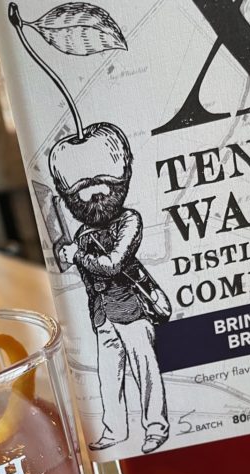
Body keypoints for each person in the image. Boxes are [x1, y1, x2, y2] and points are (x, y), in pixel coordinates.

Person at [53, 123, 169, 454]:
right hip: (101, 315)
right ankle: (114, 430)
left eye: (102, 184)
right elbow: (69, 268)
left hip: (131, 309)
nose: (95, 194)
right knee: (108, 375)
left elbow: (114, 263)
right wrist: (64, 251)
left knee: (145, 369)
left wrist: (76, 254)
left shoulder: (129, 221)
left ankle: (156, 428)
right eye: (84, 189)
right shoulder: (82, 234)